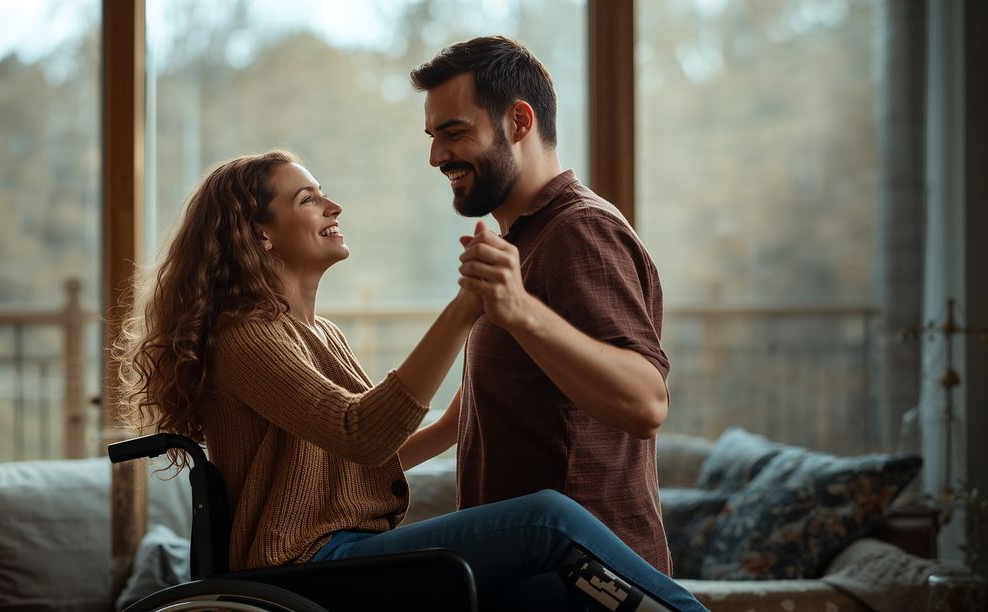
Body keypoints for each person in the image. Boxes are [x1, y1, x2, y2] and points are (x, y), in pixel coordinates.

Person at [115, 150, 706, 611]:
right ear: (259, 233)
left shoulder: (319, 332)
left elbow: (364, 454)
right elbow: (362, 433)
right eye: (308, 199)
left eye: (325, 195)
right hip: (309, 563)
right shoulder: (246, 339)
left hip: (337, 556)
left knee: (547, 588)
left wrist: (459, 419)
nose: (333, 207)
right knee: (547, 520)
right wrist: (465, 309)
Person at [402, 35, 676, 577]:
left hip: (587, 582)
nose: (437, 157)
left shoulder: (581, 231)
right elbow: (467, 416)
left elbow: (647, 403)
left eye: (454, 133)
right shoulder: (523, 241)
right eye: (433, 136)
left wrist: (520, 311)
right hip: (530, 573)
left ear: (519, 123)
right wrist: (347, 472)